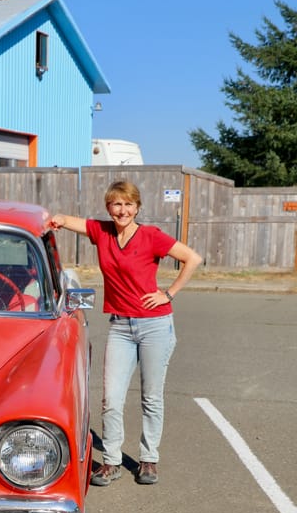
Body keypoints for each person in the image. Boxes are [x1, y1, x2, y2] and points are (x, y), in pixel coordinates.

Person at [51, 180, 202, 486]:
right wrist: (52, 219)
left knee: (151, 397)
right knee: (111, 397)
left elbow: (192, 258)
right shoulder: (101, 231)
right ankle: (111, 462)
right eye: (117, 204)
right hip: (120, 326)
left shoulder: (151, 236)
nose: (123, 210)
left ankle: (148, 460)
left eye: (129, 204)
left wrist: (169, 293)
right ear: (109, 207)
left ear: (137, 207)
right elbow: (65, 221)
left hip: (154, 325)